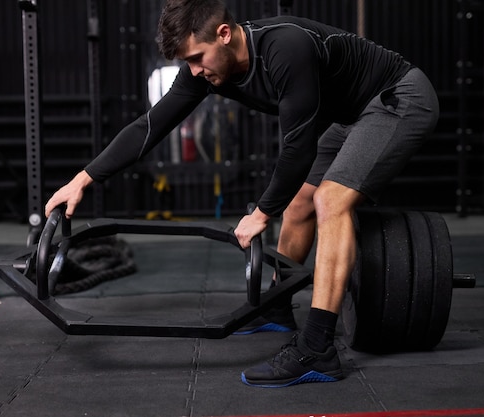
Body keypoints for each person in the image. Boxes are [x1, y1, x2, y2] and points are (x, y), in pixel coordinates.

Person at [44, 0, 439, 388]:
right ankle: (278, 307)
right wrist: (82, 179)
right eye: (188, 63)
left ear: (224, 34)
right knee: (300, 201)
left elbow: (298, 148)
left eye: (198, 57)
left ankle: (318, 347)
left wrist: (263, 213)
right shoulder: (203, 71)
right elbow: (150, 127)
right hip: (352, 117)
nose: (195, 71)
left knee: (329, 200)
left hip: (397, 97)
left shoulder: (286, 47)